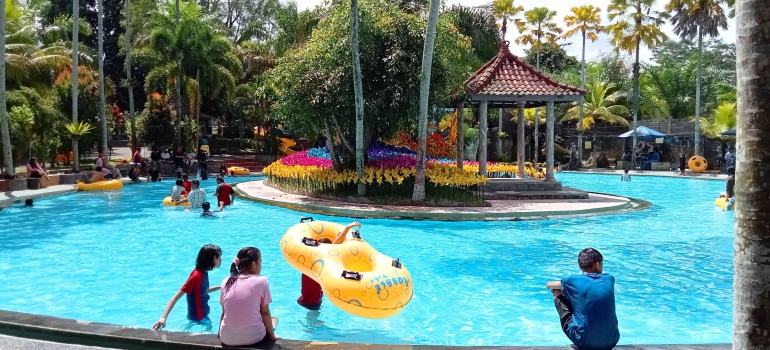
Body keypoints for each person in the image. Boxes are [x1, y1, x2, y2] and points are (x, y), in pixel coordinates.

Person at [546, 248, 619, 350]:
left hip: (584, 342)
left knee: (556, 291)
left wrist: (566, 289)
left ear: (580, 266)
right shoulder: (609, 279)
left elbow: (549, 285)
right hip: (612, 340)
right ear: (598, 264)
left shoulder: (572, 280)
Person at [218, 247, 280, 346]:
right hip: (254, 338)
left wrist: (220, 333)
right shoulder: (262, 281)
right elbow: (264, 312)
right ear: (254, 264)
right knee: (274, 320)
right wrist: (272, 336)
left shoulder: (226, 281)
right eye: (260, 262)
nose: (261, 266)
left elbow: (224, 312)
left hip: (226, 338)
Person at [152, 244, 223, 330]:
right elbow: (175, 297)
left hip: (202, 314)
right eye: (217, 257)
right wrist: (163, 318)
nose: (220, 260)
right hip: (199, 317)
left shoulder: (204, 272)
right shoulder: (196, 276)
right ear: (209, 259)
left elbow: (202, 291)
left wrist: (220, 287)